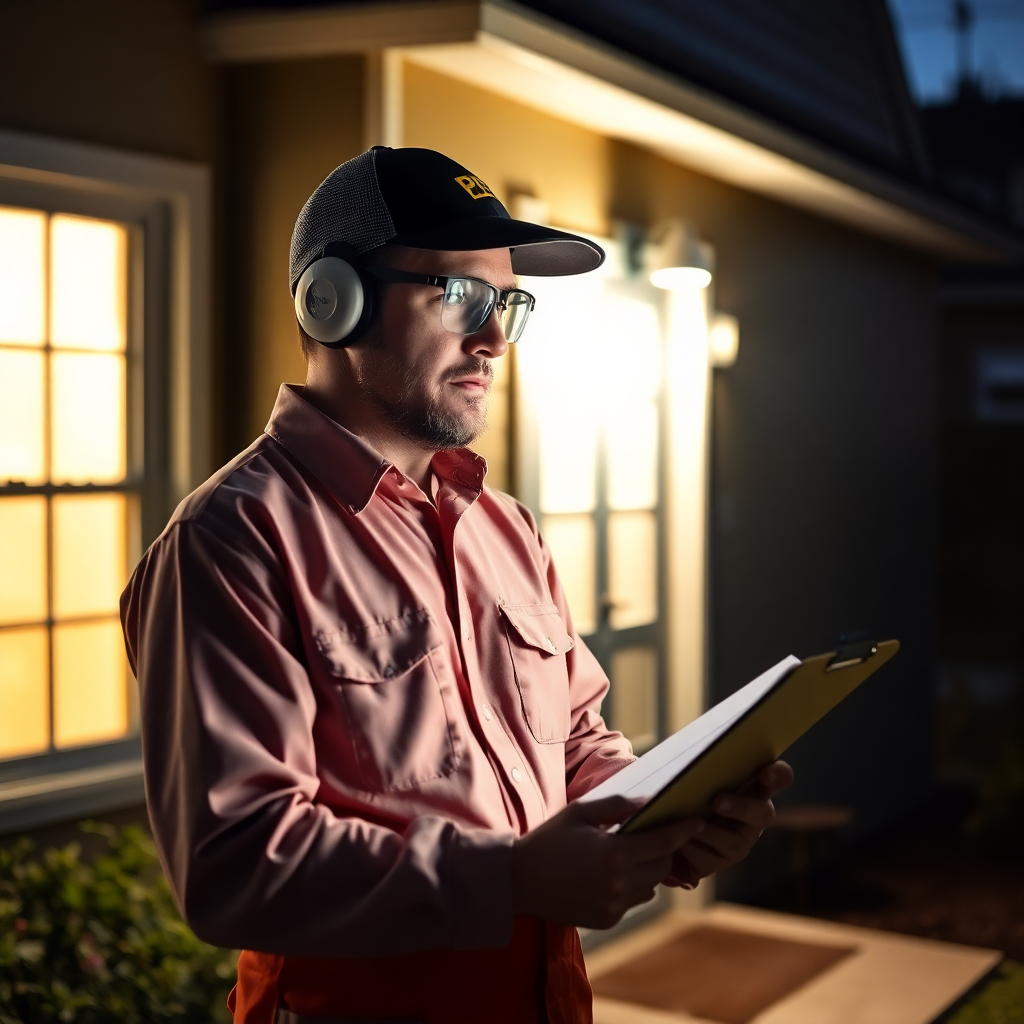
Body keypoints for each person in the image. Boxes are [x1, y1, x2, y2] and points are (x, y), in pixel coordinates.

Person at [120, 146, 792, 1024]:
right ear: (335, 301)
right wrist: (510, 876)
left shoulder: (505, 527)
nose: (493, 339)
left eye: (508, 303)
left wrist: (662, 822)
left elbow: (577, 742)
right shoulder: (232, 541)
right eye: (459, 297)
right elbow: (235, 863)